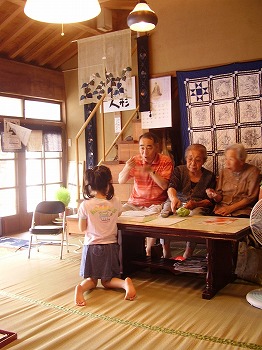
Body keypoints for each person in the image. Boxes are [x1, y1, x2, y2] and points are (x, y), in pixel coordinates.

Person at [74, 165, 136, 307]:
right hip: (110, 245)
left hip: (92, 246)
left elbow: (82, 228)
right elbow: (119, 214)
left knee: (92, 279)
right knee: (108, 281)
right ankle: (124, 284)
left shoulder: (86, 205)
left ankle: (81, 288)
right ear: (109, 181)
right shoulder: (115, 201)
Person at [118, 132, 173, 257]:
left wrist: (151, 171)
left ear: (157, 147)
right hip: (134, 202)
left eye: (149, 147)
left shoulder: (165, 161)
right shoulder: (136, 160)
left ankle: (148, 250)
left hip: (156, 203)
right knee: (118, 213)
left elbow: (164, 185)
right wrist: (127, 167)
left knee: (151, 219)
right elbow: (121, 180)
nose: (145, 151)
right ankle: (124, 254)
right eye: (142, 147)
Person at [161, 144, 216, 258]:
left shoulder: (209, 176)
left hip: (198, 205)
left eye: (198, 160)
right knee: (165, 213)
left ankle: (188, 251)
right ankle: (166, 251)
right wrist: (173, 198)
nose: (193, 163)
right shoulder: (179, 170)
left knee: (195, 216)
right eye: (190, 159)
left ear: (204, 161)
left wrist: (196, 204)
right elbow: (171, 187)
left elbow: (210, 201)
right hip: (177, 201)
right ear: (186, 158)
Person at [206, 143, 260, 217]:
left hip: (242, 211)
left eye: (231, 159)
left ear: (242, 160)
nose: (227, 163)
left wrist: (230, 208)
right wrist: (214, 195)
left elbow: (251, 198)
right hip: (221, 210)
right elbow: (219, 197)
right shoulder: (223, 172)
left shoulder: (253, 171)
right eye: (226, 159)